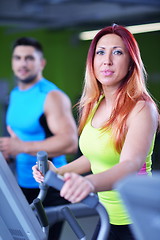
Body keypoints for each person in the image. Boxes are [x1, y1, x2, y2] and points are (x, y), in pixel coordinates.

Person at [32, 24, 159, 240]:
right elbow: (94, 157)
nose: (107, 60)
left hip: (137, 219)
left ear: (130, 62)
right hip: (107, 215)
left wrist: (88, 183)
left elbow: (129, 166)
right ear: (92, 62)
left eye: (117, 52)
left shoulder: (141, 108)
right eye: (100, 52)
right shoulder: (95, 103)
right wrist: (58, 172)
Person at [0, 37, 78, 240]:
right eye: (17, 58)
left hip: (49, 186)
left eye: (29, 58)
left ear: (41, 63)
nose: (22, 63)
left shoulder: (52, 96)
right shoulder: (16, 94)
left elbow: (70, 143)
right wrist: (10, 151)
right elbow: (21, 138)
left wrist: (21, 147)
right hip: (22, 183)